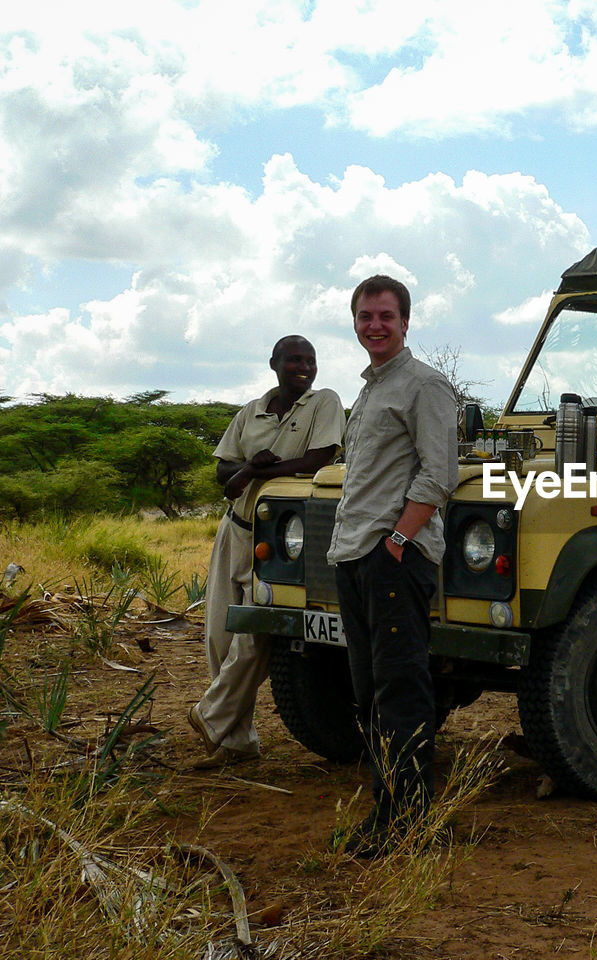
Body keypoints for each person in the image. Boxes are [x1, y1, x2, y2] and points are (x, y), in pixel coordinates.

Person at [327, 274, 459, 857]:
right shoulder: (369, 390)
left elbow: (439, 474)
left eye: (385, 316)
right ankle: (388, 811)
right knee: (367, 691)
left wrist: (398, 542)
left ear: (406, 322)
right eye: (365, 317)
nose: (374, 326)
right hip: (354, 555)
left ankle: (409, 822)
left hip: (391, 558)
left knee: (400, 688)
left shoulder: (424, 385)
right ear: (355, 323)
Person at [189, 335, 345, 769]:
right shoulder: (250, 412)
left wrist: (257, 470)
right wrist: (245, 469)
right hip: (236, 528)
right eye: (294, 359)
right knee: (220, 634)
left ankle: (211, 715)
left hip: (283, 537)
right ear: (274, 363)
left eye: (310, 360)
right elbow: (223, 466)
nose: (304, 367)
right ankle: (237, 741)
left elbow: (319, 460)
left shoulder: (323, 403)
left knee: (257, 632)